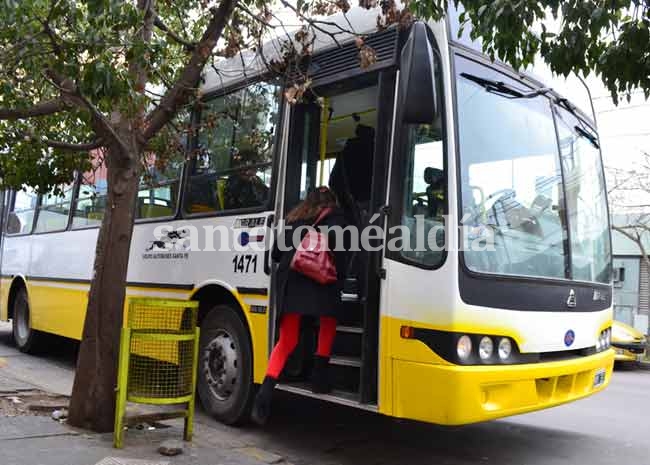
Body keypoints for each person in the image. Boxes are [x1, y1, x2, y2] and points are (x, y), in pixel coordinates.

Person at [251, 187, 350, 425]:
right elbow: (344, 256)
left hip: (292, 286)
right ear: (331, 202)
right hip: (323, 285)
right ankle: (319, 379)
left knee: (287, 341)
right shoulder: (337, 220)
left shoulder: (294, 219)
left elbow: (275, 254)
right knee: (327, 324)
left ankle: (263, 397)